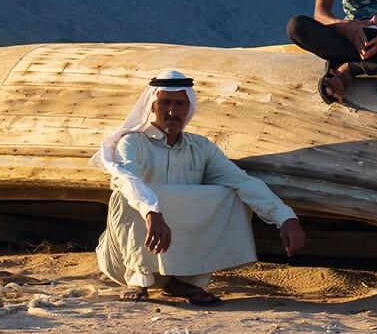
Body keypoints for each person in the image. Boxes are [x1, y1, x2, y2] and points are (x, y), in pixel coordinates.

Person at [91, 70, 306, 305]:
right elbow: (127, 178)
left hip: (180, 256)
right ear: (153, 106)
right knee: (128, 192)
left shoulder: (201, 148)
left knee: (230, 194)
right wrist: (152, 212)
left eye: (179, 104)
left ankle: (188, 282)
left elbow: (242, 181)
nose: (172, 111)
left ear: (188, 107)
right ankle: (139, 279)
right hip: (125, 258)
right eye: (165, 103)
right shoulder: (132, 143)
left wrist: (286, 217)